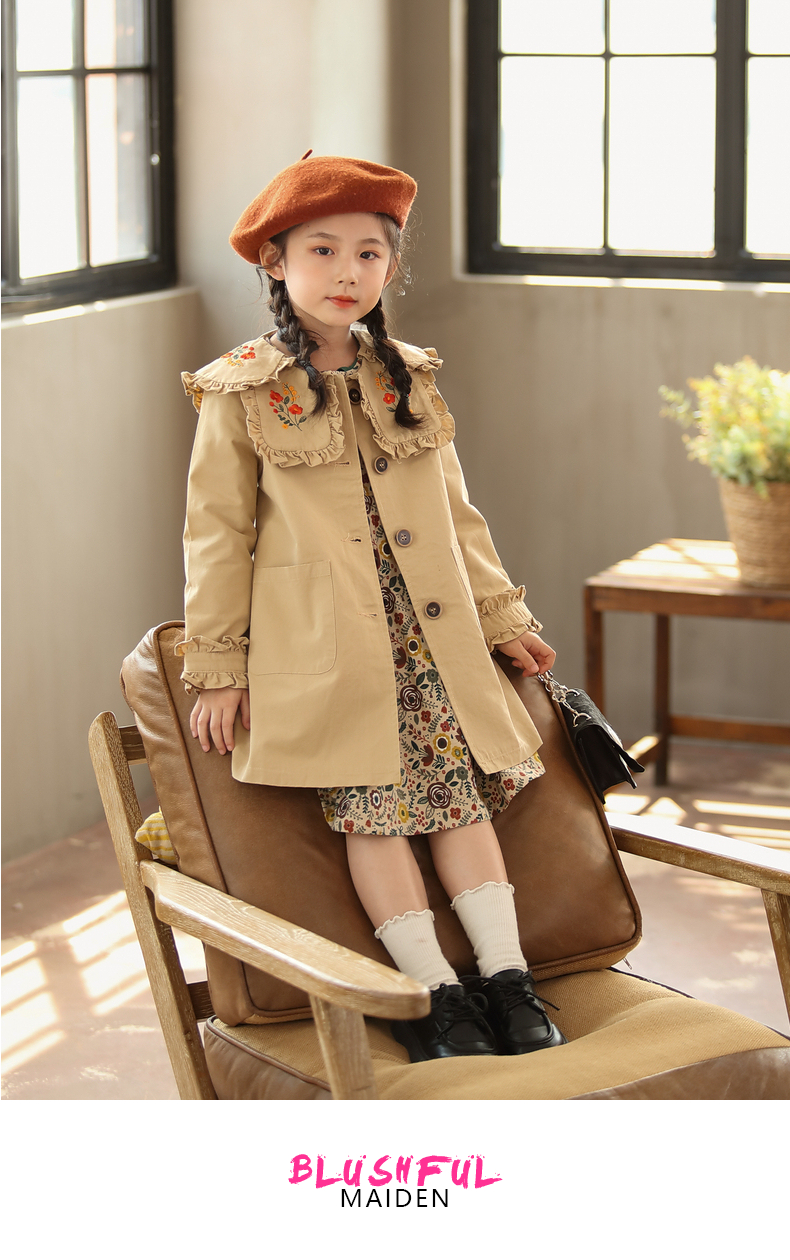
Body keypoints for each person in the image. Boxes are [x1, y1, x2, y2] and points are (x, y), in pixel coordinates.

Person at [178, 153, 566, 1062]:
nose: (347, 272)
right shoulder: (239, 390)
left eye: (369, 253)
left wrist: (503, 619)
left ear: (391, 266)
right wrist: (220, 667)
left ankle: (508, 980)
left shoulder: (409, 376)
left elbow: (457, 516)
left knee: (461, 804)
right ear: (275, 261)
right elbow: (215, 537)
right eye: (322, 250)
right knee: (375, 816)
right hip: (331, 650)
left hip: (433, 641)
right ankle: (428, 996)